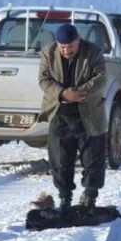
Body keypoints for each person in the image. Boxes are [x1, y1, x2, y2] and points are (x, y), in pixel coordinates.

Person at [38, 23, 107, 215]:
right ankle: (64, 198)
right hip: (60, 112)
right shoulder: (48, 53)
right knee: (60, 159)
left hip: (88, 113)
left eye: (70, 46)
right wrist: (62, 93)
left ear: (78, 41)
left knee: (93, 158)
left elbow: (101, 78)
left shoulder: (93, 52)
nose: (66, 50)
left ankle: (90, 197)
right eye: (62, 47)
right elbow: (44, 80)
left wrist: (78, 93)